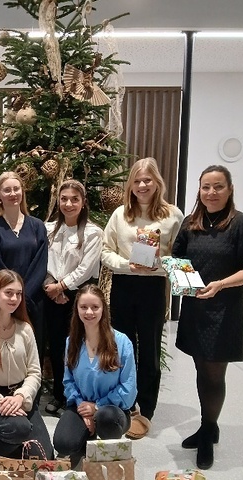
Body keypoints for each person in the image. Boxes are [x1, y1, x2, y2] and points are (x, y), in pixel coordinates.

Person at [172, 165, 243, 470]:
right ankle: (207, 426)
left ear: (229, 189)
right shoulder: (191, 223)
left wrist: (221, 283)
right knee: (202, 368)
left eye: (218, 187)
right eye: (205, 187)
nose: (211, 193)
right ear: (199, 190)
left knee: (214, 374)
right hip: (196, 307)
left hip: (225, 309)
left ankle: (207, 431)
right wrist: (184, 282)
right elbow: (177, 258)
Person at [101, 157, 183, 437]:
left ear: (157, 182)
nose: (142, 185)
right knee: (123, 349)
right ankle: (124, 404)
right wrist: (128, 265)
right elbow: (105, 251)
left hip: (152, 289)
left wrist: (159, 263)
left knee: (148, 350)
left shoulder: (172, 215)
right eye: (137, 180)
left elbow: (180, 257)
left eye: (147, 180)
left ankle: (145, 410)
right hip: (124, 285)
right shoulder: (120, 215)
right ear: (131, 185)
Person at [0, 269, 54, 460]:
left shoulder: (25, 329)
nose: (14, 298)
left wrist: (20, 397)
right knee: (19, 428)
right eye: (8, 293)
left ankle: (5, 438)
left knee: (45, 455)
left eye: (18, 294)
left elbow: (35, 373)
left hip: (21, 396)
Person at [53, 285, 137, 465]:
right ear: (77, 309)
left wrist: (97, 407)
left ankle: (109, 456)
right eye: (83, 307)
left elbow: (128, 389)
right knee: (63, 443)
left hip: (113, 411)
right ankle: (86, 441)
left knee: (106, 418)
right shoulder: (72, 342)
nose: (89, 312)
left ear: (103, 309)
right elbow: (68, 381)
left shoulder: (121, 343)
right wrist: (82, 406)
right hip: (81, 405)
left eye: (95, 307)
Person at [43, 180, 103, 415]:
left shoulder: (92, 232)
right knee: (57, 347)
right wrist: (52, 286)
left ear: (83, 202)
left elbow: (86, 269)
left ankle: (80, 397)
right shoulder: (48, 229)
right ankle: (60, 394)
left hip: (79, 297)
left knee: (79, 347)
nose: (68, 204)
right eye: (64, 199)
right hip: (52, 294)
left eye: (74, 199)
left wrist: (62, 287)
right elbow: (43, 262)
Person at [0, 172, 48, 358]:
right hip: (4, 303)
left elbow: (40, 263)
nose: (13, 194)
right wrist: (12, 295)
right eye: (7, 190)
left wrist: (23, 296)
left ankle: (34, 387)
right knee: (7, 349)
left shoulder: (37, 226)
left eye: (16, 189)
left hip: (34, 300)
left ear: (22, 192)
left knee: (35, 348)